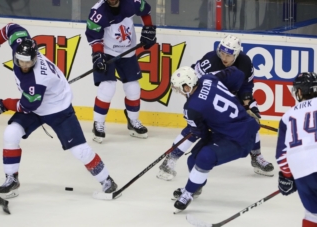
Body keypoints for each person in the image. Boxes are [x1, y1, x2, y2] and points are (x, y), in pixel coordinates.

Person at [0, 23, 118, 199]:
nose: (24, 65)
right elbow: (11, 28)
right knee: (11, 133)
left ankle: (107, 181)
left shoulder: (37, 80)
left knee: (79, 150)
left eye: (28, 62)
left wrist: (2, 105)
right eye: (20, 60)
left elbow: (27, 106)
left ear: (35, 58)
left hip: (58, 108)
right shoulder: (21, 46)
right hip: (36, 103)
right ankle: (11, 178)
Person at [157, 34, 274, 181]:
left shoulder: (245, 62)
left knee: (250, 121)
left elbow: (246, 86)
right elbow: (192, 83)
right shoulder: (210, 60)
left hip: (229, 94)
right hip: (204, 96)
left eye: (229, 55)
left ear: (237, 54)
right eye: (222, 53)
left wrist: (246, 104)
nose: (224, 58)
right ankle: (170, 159)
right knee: (193, 130)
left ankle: (256, 156)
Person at [169, 66, 259, 213]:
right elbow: (238, 73)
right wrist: (236, 98)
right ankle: (195, 187)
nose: (179, 91)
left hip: (240, 138)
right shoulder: (208, 78)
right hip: (231, 130)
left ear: (187, 85)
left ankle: (188, 193)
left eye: (180, 88)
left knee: (205, 157)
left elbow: (202, 134)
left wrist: (206, 122)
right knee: (193, 159)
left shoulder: (191, 108)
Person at [85, 0, 157, 143]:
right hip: (107, 52)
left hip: (127, 50)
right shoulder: (97, 13)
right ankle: (98, 124)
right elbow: (94, 38)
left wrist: (148, 28)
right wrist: (98, 56)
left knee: (133, 88)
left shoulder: (132, 2)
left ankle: (133, 120)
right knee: (108, 87)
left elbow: (145, 11)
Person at [276, 72, 317, 227]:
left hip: (302, 174)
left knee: (312, 215)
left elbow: (281, 156)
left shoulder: (286, 117)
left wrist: (288, 176)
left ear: (298, 91)